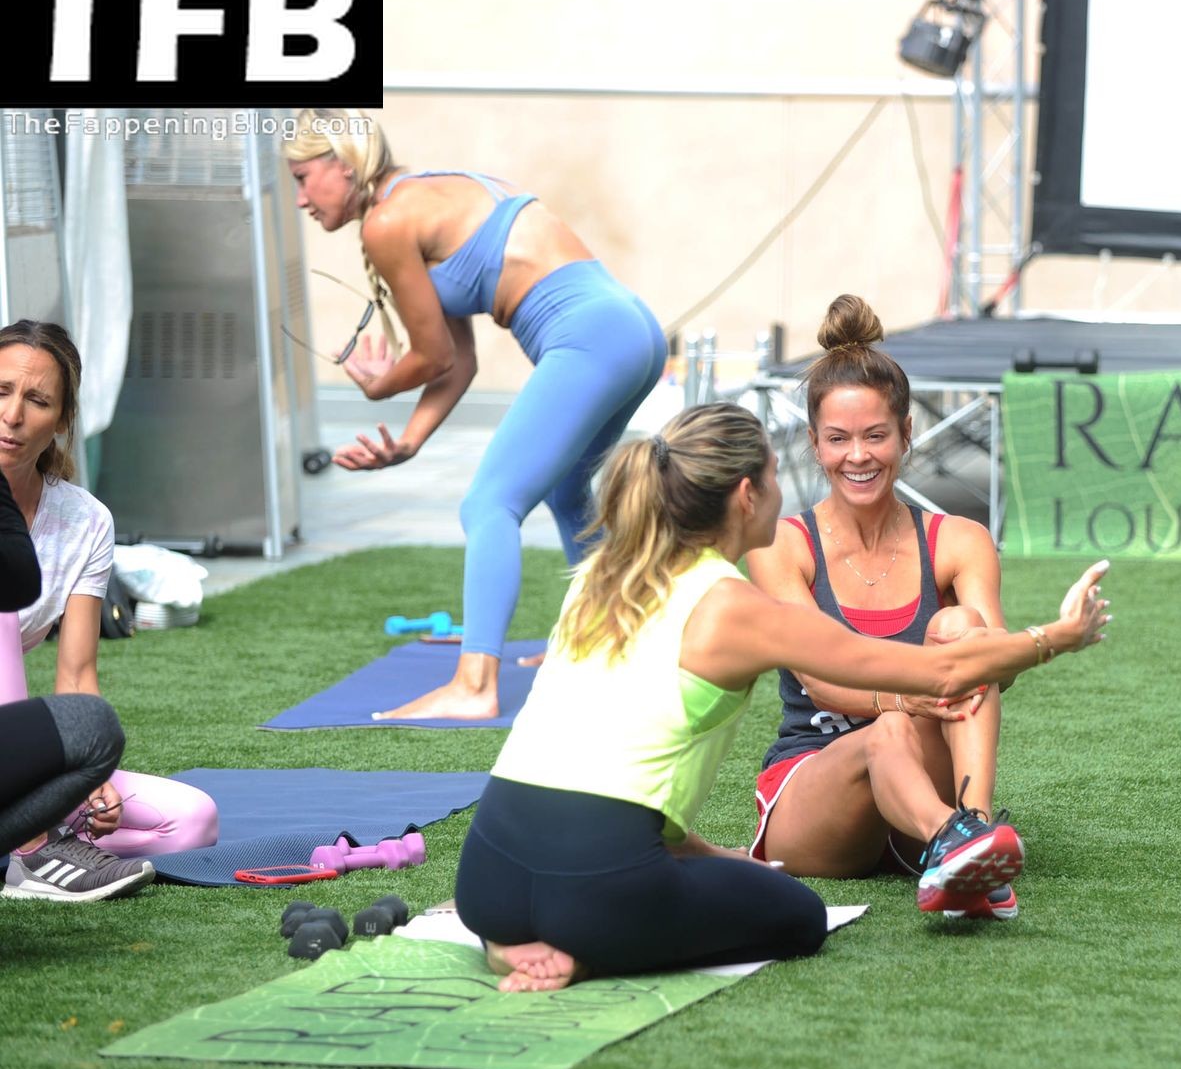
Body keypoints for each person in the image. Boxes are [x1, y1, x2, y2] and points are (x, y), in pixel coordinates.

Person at [453, 403, 1110, 992]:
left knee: (729, 876)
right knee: (798, 916)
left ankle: (512, 942)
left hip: (485, 883)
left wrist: (719, 857)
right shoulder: (736, 607)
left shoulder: (600, 574)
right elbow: (939, 674)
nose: (783, 490)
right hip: (595, 892)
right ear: (747, 495)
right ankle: (587, 952)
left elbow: (610, 771)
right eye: (774, 474)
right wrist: (1060, 636)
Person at [285, 108, 668, 720]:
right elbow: (458, 359)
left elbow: (432, 356)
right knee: (567, 490)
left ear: (342, 164)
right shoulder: (435, 192)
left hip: (590, 337)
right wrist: (409, 441)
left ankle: (474, 686)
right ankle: (605, 642)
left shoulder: (387, 222)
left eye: (303, 178)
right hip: (631, 329)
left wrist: (380, 386)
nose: (300, 198)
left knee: (489, 503)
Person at [745, 295, 1021, 919]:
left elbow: (997, 666)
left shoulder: (960, 539)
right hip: (817, 789)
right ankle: (957, 842)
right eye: (838, 439)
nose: (858, 456)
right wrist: (913, 695)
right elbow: (822, 680)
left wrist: (991, 650)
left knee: (965, 628)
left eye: (875, 435)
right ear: (814, 443)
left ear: (906, 434)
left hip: (921, 783)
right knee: (888, 728)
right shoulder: (783, 543)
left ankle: (970, 834)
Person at [0, 320, 194, 900]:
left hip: (13, 755)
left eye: (37, 401)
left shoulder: (85, 521)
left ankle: (41, 843)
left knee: (191, 821)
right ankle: (32, 850)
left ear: (61, 421)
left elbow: (78, 676)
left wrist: (89, 779)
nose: (12, 415)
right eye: (0, 391)